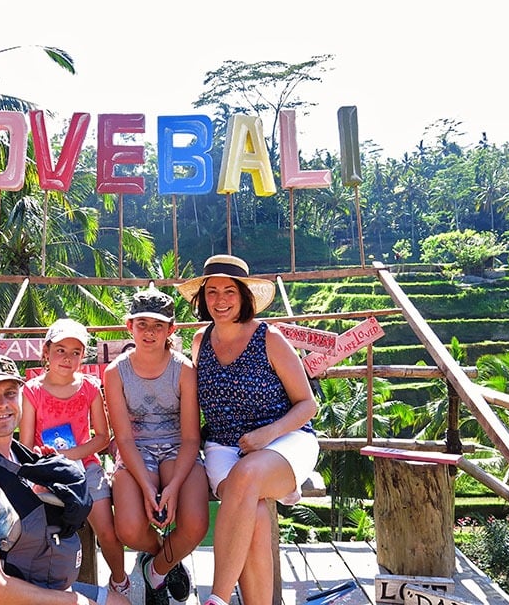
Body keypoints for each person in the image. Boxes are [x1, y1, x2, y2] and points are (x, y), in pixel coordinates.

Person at [0, 353, 129, 605]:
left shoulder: (16, 455)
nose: (2, 404)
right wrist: (75, 602)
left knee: (119, 602)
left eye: (9, 393)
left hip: (26, 580)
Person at [176, 254, 319, 605]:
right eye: (212, 292)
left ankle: (218, 598)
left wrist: (267, 434)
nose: (220, 300)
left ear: (243, 296)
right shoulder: (199, 342)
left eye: (229, 291)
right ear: (202, 298)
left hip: (285, 440)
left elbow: (307, 405)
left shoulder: (269, 338)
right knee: (251, 510)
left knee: (247, 476)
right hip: (222, 447)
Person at [103, 287, 209, 605]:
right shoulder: (115, 373)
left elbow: (191, 437)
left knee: (194, 525)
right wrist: (149, 490)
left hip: (179, 447)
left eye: (158, 325)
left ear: (170, 330)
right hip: (136, 449)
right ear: (129, 326)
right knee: (130, 529)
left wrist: (172, 488)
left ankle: (156, 571)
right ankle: (162, 556)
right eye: (142, 324)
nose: (149, 332)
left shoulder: (184, 369)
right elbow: (122, 438)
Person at [20, 318, 131, 598]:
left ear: (83, 356)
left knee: (106, 528)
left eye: (75, 352)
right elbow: (25, 443)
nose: (67, 358)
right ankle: (44, 585)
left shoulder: (90, 388)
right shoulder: (31, 391)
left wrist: (68, 455)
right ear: (46, 353)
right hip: (45, 470)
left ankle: (119, 581)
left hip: (86, 466)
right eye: (60, 350)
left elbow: (102, 437)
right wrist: (48, 460)